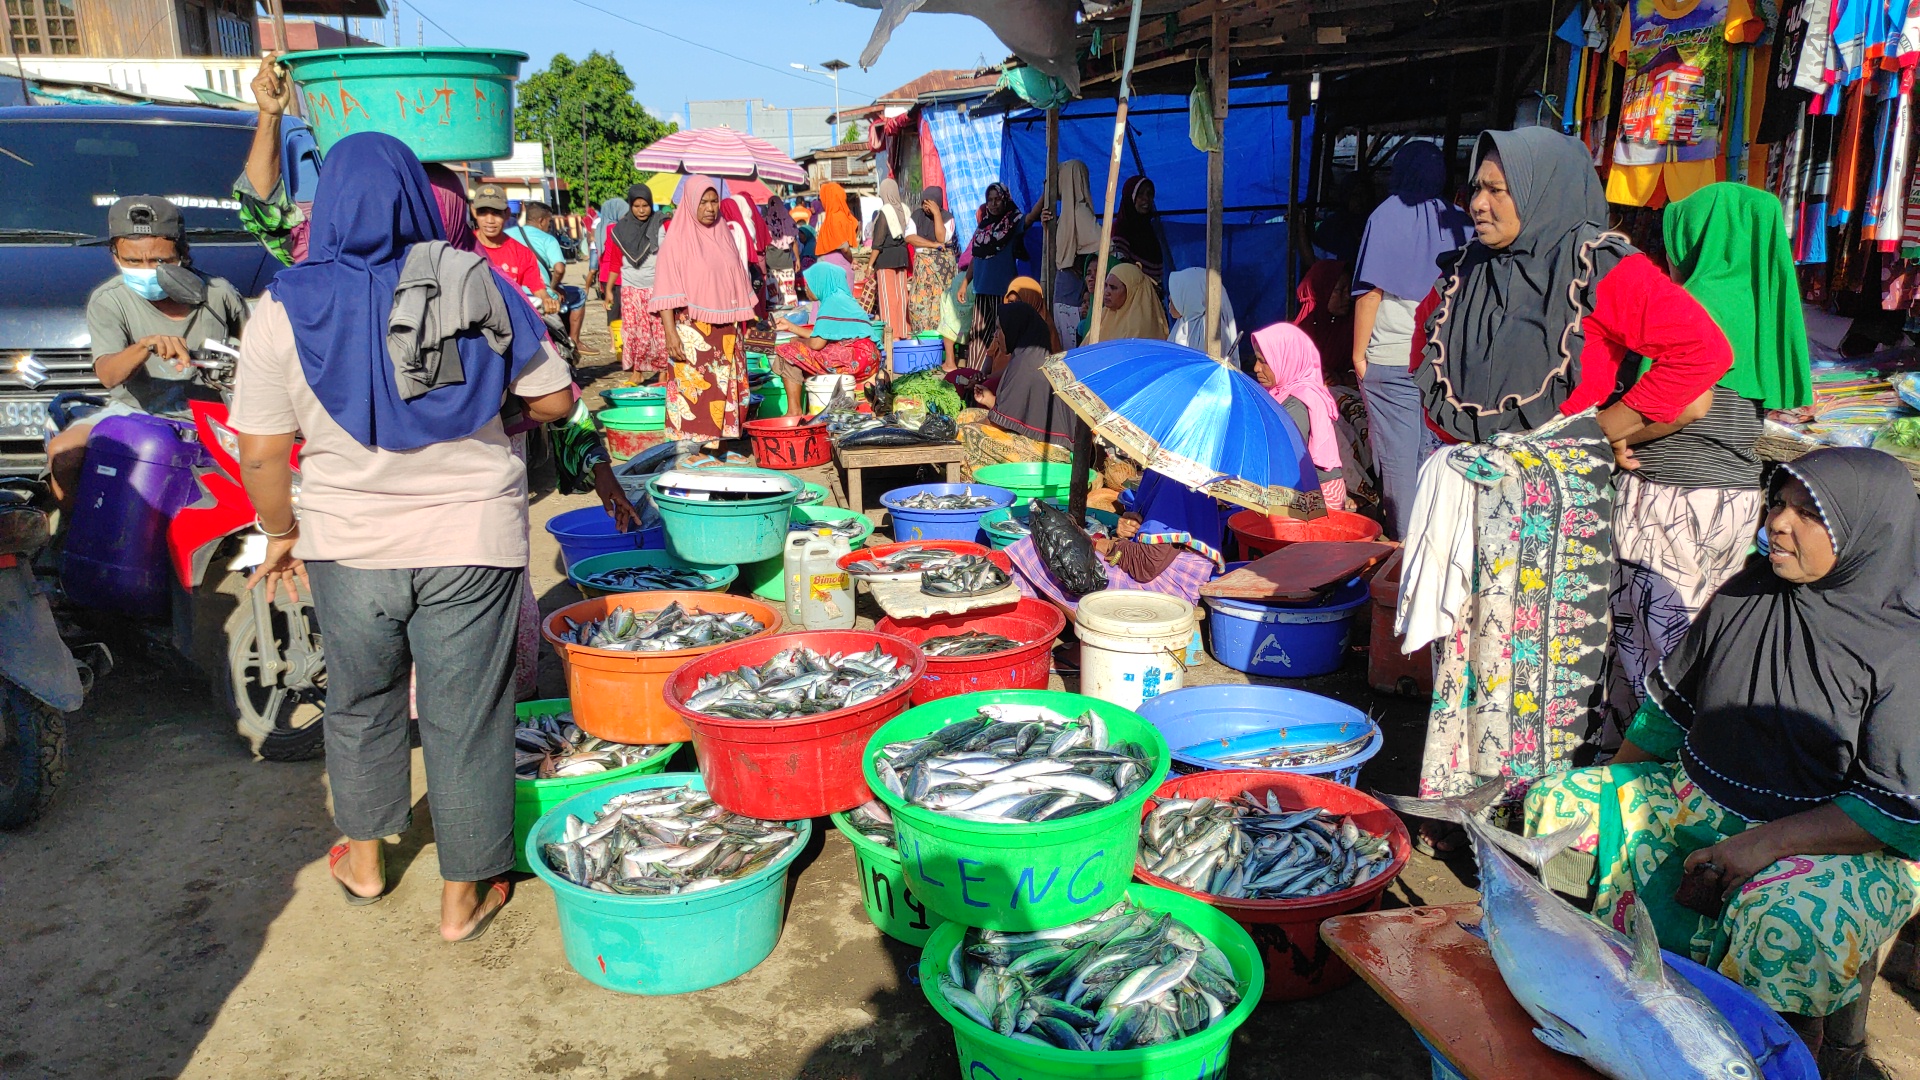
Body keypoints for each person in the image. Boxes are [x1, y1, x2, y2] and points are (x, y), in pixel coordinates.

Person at [227, 132, 573, 941]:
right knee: (468, 715)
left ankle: (366, 860)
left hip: (347, 541)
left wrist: (280, 533)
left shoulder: (282, 304)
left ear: (329, 202)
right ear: (420, 203)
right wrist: (493, 405)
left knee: (359, 700)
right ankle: (466, 894)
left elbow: (262, 449)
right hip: (471, 535)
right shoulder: (473, 280)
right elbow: (555, 401)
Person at [1524, 448, 1920, 1064]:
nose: (1777, 525)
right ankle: (1597, 995)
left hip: (1836, 843)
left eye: (1807, 514)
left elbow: (1894, 809)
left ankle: (1777, 1054)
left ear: (1868, 533)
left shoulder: (1903, 648)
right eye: (1778, 503)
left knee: (1786, 923)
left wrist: (1764, 845)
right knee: (1560, 806)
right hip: (1697, 796)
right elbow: (1669, 708)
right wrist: (1612, 781)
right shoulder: (1748, 591)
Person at [1401, 128, 1729, 822]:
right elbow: (1427, 367)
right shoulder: (1465, 273)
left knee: (1538, 668)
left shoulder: (1602, 267)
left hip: (1556, 512)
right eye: (1476, 188)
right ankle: (1466, 808)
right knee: (1467, 655)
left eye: (1498, 189)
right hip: (1476, 496)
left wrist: (1602, 431)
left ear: (1544, 188)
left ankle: (1537, 814)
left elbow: (1700, 355)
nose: (1479, 204)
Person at [1593, 183, 1817, 754]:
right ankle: (1690, 759)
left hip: (1666, 495)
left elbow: (1687, 405)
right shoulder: (1763, 302)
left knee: (1645, 639)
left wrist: (1608, 437)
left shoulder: (1694, 299)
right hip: (1735, 499)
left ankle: (1640, 765)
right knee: (1698, 635)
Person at [47, 196, 250, 510]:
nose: (146, 271)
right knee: (65, 451)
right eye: (132, 261)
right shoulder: (110, 300)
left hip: (216, 418)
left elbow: (258, 353)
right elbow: (109, 375)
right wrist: (144, 346)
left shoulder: (219, 294)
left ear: (182, 254)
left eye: (159, 261)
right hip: (137, 413)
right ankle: (72, 536)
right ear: (115, 257)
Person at [1351, 141, 1470, 539]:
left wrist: (1359, 355)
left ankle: (1405, 546)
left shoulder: (1384, 216)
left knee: (1398, 457)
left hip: (1391, 357)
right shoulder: (1462, 222)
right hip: (1441, 362)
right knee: (1432, 451)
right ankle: (1434, 540)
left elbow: (1371, 293)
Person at [1005, 467, 1229, 615]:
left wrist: (1096, 543)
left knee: (1037, 549)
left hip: (1168, 588)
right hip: (1154, 564)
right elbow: (1154, 534)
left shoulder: (1180, 480)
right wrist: (1129, 525)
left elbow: (1145, 567)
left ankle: (1089, 640)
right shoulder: (1162, 471)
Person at [650, 176, 759, 447]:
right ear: (689, 204)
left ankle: (716, 448)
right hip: (693, 330)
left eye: (714, 201)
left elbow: (737, 278)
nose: (710, 208)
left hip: (727, 331)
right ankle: (694, 449)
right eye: (703, 202)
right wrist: (670, 334)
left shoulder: (725, 236)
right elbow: (666, 293)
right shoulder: (675, 243)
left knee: (726, 389)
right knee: (696, 392)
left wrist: (748, 318)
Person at [958, 300, 1079, 472]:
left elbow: (997, 424)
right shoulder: (1029, 357)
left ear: (1015, 329)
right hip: (1043, 438)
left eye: (1000, 329)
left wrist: (969, 428)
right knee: (966, 415)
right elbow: (1024, 414)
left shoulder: (1027, 364)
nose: (995, 335)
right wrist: (990, 400)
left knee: (966, 434)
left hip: (1054, 453)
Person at [1250, 322, 1346, 511]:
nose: (1255, 368)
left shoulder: (1300, 403)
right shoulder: (1278, 393)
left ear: (1287, 360)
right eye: (1256, 360)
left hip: (1318, 498)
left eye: (1264, 361)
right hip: (1297, 488)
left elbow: (1283, 458)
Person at [770, 262, 884, 411]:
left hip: (854, 358)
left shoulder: (831, 302)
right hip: (870, 358)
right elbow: (822, 335)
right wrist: (791, 327)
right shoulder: (845, 300)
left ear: (820, 282)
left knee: (787, 351)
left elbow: (817, 343)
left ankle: (794, 411)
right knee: (803, 353)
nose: (806, 288)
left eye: (809, 283)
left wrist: (797, 340)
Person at [1034, 159, 1099, 350]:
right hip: (1065, 289)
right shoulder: (1068, 213)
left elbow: (1102, 247)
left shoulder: (1079, 212)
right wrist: (1048, 227)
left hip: (1072, 291)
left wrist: (1083, 267)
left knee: (1071, 346)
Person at [509, 201, 589, 352]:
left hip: (512, 290)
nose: (549, 225)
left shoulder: (508, 234)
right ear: (541, 221)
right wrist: (554, 287)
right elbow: (559, 269)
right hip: (541, 293)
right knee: (579, 295)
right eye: (549, 221)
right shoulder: (548, 239)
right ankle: (575, 341)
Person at [967, 183, 1030, 368]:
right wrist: (965, 283)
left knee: (1001, 337)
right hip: (981, 291)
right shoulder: (982, 228)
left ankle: (995, 376)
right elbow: (975, 257)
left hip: (1002, 291)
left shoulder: (1011, 225)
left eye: (997, 199)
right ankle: (974, 377)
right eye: (990, 200)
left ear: (1005, 199)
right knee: (978, 337)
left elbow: (1030, 218)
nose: (993, 204)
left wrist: (1045, 195)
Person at [471, 184, 554, 315]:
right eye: (483, 212)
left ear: (507, 214)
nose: (490, 220)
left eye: (496, 213)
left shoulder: (522, 253)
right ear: (474, 212)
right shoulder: (463, 246)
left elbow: (538, 289)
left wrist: (547, 300)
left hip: (509, 320)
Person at [612, 185, 668, 376]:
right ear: (630, 205)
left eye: (645, 205)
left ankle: (663, 370)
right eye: (636, 206)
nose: (642, 210)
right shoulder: (621, 229)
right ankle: (637, 372)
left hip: (657, 286)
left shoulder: (661, 224)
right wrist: (609, 290)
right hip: (630, 286)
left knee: (660, 332)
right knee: (635, 333)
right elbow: (613, 261)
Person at [906, 186, 958, 365]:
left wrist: (937, 214)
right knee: (917, 305)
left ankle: (938, 352)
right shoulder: (916, 216)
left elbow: (942, 238)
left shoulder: (948, 218)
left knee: (939, 307)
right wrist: (932, 245)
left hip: (942, 271)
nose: (926, 207)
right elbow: (910, 237)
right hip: (923, 269)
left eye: (930, 203)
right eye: (924, 202)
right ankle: (923, 346)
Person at [868, 178, 916, 356]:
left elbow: (878, 242)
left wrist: (870, 264)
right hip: (902, 257)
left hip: (886, 259)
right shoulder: (904, 209)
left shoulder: (885, 212)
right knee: (901, 295)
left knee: (888, 298)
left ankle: (892, 336)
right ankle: (904, 331)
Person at [1166, 266, 1239, 358]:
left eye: (1176, 295)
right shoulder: (1182, 323)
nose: (1170, 300)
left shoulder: (1210, 329)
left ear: (1190, 296)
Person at [1085, 263, 1168, 344]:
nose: (1106, 292)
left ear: (1130, 292)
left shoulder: (1140, 328)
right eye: (1106, 285)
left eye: (1113, 287)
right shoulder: (1105, 315)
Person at [1110, 175, 1165, 284]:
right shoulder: (1120, 229)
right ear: (1129, 197)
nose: (1146, 199)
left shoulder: (1149, 232)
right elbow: (1120, 271)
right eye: (1140, 194)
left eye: (1149, 194)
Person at [1001, 276, 1061, 351]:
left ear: (1032, 300)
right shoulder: (1006, 323)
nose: (1014, 307)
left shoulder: (1044, 329)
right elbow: (991, 351)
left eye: (1019, 302)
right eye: (1010, 302)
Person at [763, 194, 801, 305]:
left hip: (771, 264)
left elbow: (763, 244)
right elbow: (794, 242)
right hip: (787, 263)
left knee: (773, 296)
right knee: (789, 296)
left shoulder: (765, 222)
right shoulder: (789, 221)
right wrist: (797, 259)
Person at [813, 181, 859, 257]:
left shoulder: (834, 218)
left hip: (835, 263)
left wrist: (851, 260)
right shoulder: (844, 216)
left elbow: (845, 248)